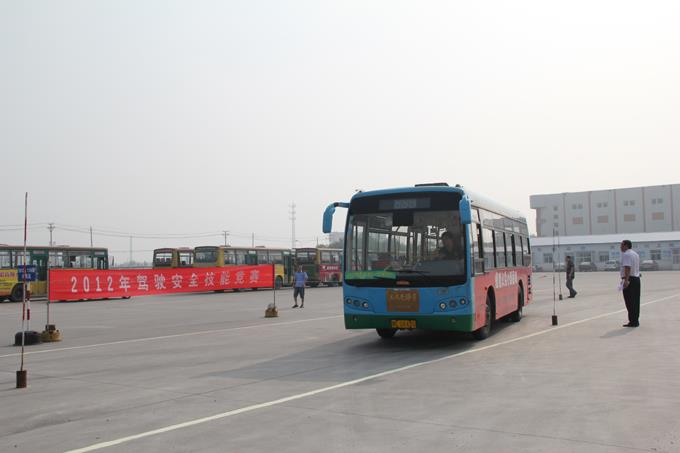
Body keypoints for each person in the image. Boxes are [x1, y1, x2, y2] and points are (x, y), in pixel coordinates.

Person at [620, 239, 641, 327]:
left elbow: (627, 268)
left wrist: (626, 280)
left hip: (630, 280)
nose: (620, 247)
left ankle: (632, 321)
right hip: (636, 279)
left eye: (621, 245)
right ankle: (635, 320)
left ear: (626, 245)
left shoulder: (626, 254)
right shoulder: (635, 254)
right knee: (635, 301)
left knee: (629, 301)